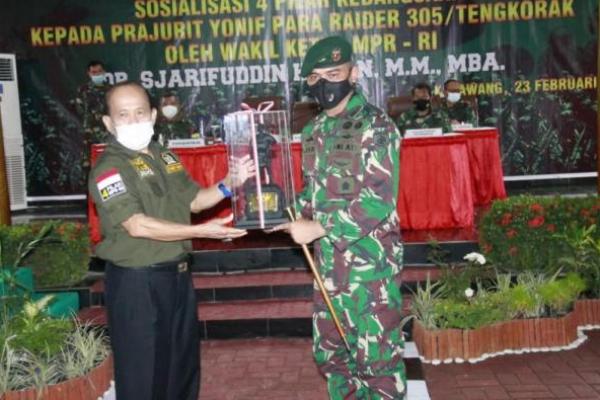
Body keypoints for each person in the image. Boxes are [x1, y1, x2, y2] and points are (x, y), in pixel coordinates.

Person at [88, 81, 254, 400]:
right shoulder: (109, 169)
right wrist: (201, 232)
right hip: (138, 284)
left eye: (139, 112)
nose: (133, 120)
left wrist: (228, 184)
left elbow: (193, 201)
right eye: (123, 115)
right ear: (109, 123)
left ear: (153, 115)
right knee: (144, 377)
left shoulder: (164, 156)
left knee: (182, 370)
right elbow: (137, 225)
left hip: (176, 277)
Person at [270, 36, 405, 399]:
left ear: (353, 74)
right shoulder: (313, 131)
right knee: (333, 357)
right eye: (315, 78)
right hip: (328, 268)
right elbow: (313, 193)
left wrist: (317, 227)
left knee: (377, 364)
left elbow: (378, 201)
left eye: (334, 74)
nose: (325, 84)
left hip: (369, 271)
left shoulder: (376, 126)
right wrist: (282, 210)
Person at [73, 60, 112, 175]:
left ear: (104, 72)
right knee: (89, 164)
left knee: (109, 163)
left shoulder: (111, 90)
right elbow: (79, 110)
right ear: (89, 74)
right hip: (89, 133)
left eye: (100, 71)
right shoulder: (83, 90)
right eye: (94, 72)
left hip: (108, 132)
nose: (97, 74)